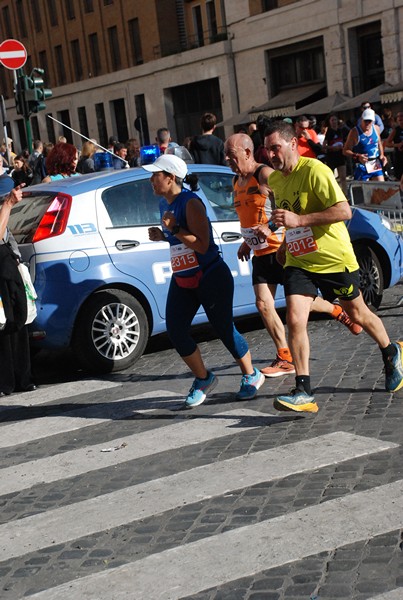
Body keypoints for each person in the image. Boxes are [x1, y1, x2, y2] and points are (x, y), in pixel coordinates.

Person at [262, 120, 403, 413]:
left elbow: (344, 211)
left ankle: (391, 352)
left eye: (275, 148)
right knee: (295, 318)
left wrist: (298, 222)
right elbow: (290, 217)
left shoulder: (316, 171)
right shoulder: (275, 181)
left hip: (333, 259)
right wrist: (286, 244)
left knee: (358, 313)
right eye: (267, 150)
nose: (271, 155)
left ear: (293, 143)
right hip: (299, 261)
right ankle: (304, 390)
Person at [224, 133, 362, 378]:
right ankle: (284, 356)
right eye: (226, 155)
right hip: (259, 252)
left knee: (301, 301)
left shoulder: (265, 175)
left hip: (281, 249)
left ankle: (336, 311)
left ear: (247, 152)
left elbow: (284, 208)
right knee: (263, 304)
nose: (227, 159)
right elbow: (249, 218)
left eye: (231, 155)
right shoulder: (237, 181)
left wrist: (272, 229)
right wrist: (247, 243)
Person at [143, 154, 265, 407]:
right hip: (183, 277)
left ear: (171, 178)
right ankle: (203, 378)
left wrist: (174, 229)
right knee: (176, 331)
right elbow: (180, 240)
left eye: (156, 175)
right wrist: (164, 236)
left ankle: (251, 374)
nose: (151, 180)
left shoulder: (191, 203)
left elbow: (202, 244)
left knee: (224, 330)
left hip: (210, 275)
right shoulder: (164, 204)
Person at [0, 185, 36, 396]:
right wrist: (8, 204)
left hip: (8, 268)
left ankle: (21, 378)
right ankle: (8, 381)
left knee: (17, 323)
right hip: (3, 271)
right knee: (5, 326)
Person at [343, 108, 387, 181]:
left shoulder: (376, 129)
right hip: (362, 165)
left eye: (369, 121)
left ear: (373, 121)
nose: (367, 123)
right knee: (363, 190)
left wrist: (382, 155)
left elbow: (379, 143)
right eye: (365, 121)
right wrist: (357, 156)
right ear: (361, 119)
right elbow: (345, 150)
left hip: (374, 163)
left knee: (380, 188)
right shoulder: (354, 132)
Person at [323, 114, 348, 194]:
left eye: (335, 120)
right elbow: (324, 146)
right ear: (329, 122)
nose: (334, 122)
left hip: (341, 155)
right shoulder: (329, 132)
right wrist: (332, 148)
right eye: (332, 120)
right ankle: (333, 194)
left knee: (343, 177)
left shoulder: (342, 130)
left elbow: (348, 138)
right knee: (331, 177)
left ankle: (345, 194)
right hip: (332, 156)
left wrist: (344, 146)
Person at [384, 111, 403, 180]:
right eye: (399, 118)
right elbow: (387, 143)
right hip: (400, 158)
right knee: (399, 178)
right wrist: (397, 145)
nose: (400, 119)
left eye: (402, 116)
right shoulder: (396, 130)